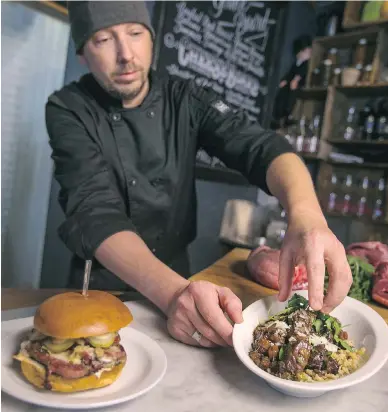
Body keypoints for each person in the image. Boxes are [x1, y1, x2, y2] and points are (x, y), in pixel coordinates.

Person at [46, 1, 351, 349]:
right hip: (101, 286)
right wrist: (173, 292)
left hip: (182, 277)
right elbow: (93, 209)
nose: (126, 54)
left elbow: (262, 147)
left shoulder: (186, 97)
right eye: (103, 39)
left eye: (135, 34)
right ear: (83, 54)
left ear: (151, 38)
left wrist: (308, 216)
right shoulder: (68, 108)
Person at [272, 35, 313, 128]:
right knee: (282, 94)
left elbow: (302, 73)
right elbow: (290, 73)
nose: (307, 54)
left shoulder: (306, 64)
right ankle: (279, 114)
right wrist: (285, 80)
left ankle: (289, 114)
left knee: (292, 96)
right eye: (305, 52)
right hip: (290, 85)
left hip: (299, 86)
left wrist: (296, 79)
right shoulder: (296, 63)